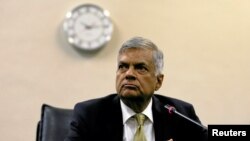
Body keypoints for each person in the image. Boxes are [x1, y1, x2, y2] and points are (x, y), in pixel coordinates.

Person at [64, 36, 208, 141]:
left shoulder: (179, 113)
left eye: (140, 68)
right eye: (123, 67)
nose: (129, 74)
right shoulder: (90, 114)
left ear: (158, 81)